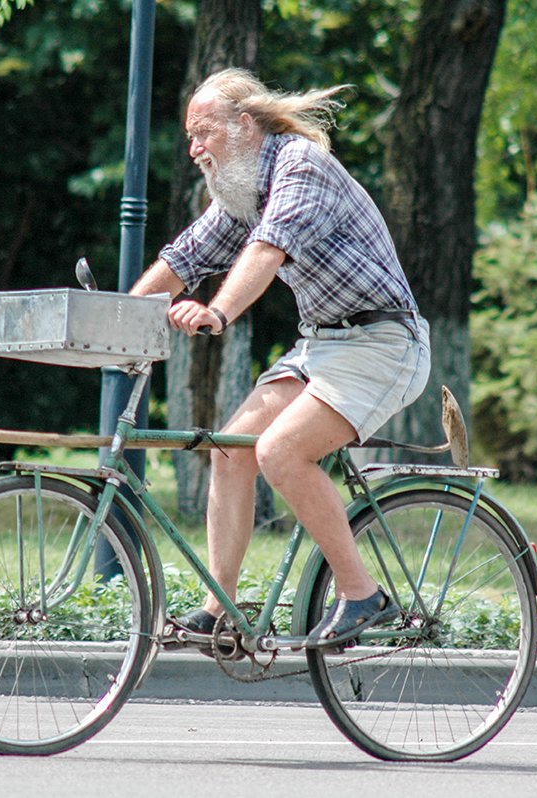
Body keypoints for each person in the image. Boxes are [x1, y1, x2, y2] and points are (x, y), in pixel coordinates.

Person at [131, 68, 431, 648]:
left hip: (383, 343)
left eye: (204, 133)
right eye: (190, 138)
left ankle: (361, 592)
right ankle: (220, 605)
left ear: (244, 126)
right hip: (324, 345)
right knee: (230, 448)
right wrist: (112, 325)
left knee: (279, 452)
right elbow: (185, 257)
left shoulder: (300, 167)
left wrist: (216, 313)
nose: (195, 150)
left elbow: (267, 252)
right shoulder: (244, 190)